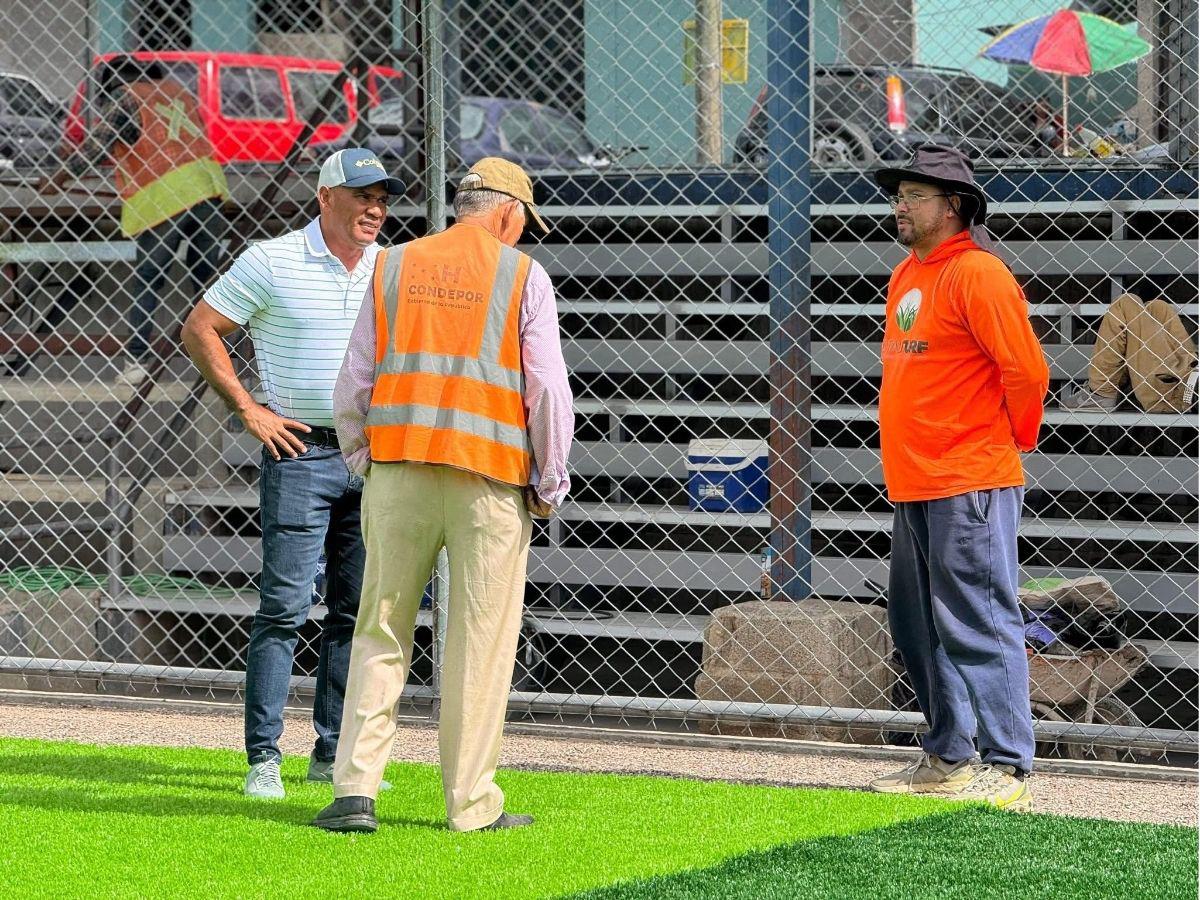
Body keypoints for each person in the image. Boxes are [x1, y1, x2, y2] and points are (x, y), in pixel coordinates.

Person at [312, 158, 574, 834]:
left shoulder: (392, 265)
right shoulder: (524, 276)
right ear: (510, 213)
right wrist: (550, 481)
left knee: (380, 628)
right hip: (489, 478)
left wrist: (361, 454)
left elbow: (355, 379)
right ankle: (469, 804)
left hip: (398, 471)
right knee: (480, 645)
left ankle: (354, 794)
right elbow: (546, 389)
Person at [180, 148, 405, 799]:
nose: (375, 209)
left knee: (356, 612)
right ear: (325, 197)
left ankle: (333, 756)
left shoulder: (390, 267)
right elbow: (202, 328)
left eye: (383, 198)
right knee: (283, 607)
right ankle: (264, 761)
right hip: (298, 451)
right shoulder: (270, 259)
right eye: (363, 196)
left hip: (371, 455)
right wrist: (248, 408)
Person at [867, 144, 1050, 811]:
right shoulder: (905, 276)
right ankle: (948, 753)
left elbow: (1027, 373)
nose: (900, 206)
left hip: (969, 477)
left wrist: (1010, 441)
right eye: (899, 194)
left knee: (978, 618)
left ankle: (1009, 765)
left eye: (914, 196)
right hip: (915, 480)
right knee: (916, 624)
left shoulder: (979, 274)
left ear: (953, 205)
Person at [58, 56, 230, 387]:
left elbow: (97, 144)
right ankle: (223, 360)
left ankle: (137, 359)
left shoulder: (128, 96)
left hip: (166, 196)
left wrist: (59, 177)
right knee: (208, 281)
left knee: (149, 279)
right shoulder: (178, 92)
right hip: (207, 188)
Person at [1061, 292, 1197, 412]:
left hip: (1179, 394)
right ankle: (1123, 387)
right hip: (1190, 373)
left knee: (1125, 304)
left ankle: (1100, 391)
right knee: (1157, 308)